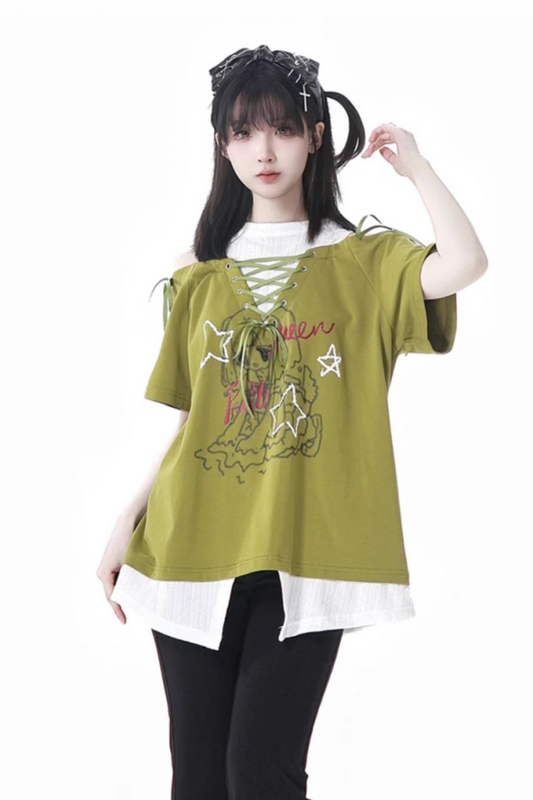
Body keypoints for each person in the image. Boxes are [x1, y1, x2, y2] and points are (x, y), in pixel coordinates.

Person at [96, 45, 488, 799]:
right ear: (222, 146)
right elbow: (195, 423)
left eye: (281, 128)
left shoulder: (366, 262)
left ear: (315, 135)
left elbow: (465, 263)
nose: (264, 151)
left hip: (307, 553)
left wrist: (416, 167)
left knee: (261, 773)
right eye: (243, 133)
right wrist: (125, 522)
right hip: (187, 545)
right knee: (198, 779)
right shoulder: (196, 272)